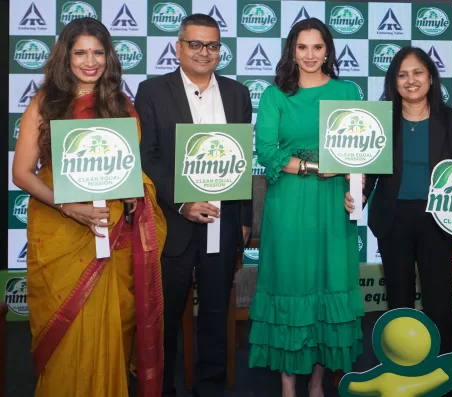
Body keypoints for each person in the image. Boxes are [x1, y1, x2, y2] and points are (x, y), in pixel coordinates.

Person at [12, 18, 166, 397]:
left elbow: (129, 172)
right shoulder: (45, 103)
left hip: (112, 234)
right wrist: (69, 207)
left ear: (109, 57)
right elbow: (21, 173)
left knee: (112, 327)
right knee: (69, 334)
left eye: (98, 52)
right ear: (66, 56)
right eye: (80, 52)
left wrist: (133, 193)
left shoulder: (121, 106)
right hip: (60, 232)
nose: (90, 61)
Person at [134, 14, 252, 397]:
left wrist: (245, 219)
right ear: (178, 48)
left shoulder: (237, 94)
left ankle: (210, 388)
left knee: (217, 318)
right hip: (174, 225)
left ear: (220, 51)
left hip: (225, 222)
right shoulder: (152, 91)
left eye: (213, 45)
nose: (205, 52)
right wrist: (183, 201)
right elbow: (147, 158)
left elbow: (242, 160)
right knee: (166, 320)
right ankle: (163, 390)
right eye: (196, 44)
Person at [247, 17, 364, 397]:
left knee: (327, 286)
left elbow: (361, 151)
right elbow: (266, 150)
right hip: (289, 202)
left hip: (334, 205)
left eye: (317, 47)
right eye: (302, 47)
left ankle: (315, 385)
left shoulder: (348, 92)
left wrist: (355, 186)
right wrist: (316, 167)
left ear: (328, 49)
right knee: (291, 284)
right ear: (291, 51)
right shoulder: (274, 95)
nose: (310, 55)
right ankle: (287, 387)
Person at [345, 46, 452, 370]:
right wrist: (356, 195)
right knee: (398, 300)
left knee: (439, 302)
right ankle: (398, 368)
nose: (410, 80)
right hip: (393, 219)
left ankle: (443, 373)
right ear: (394, 81)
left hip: (437, 221)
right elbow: (368, 170)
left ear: (430, 77)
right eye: (402, 74)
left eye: (417, 73)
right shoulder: (381, 120)